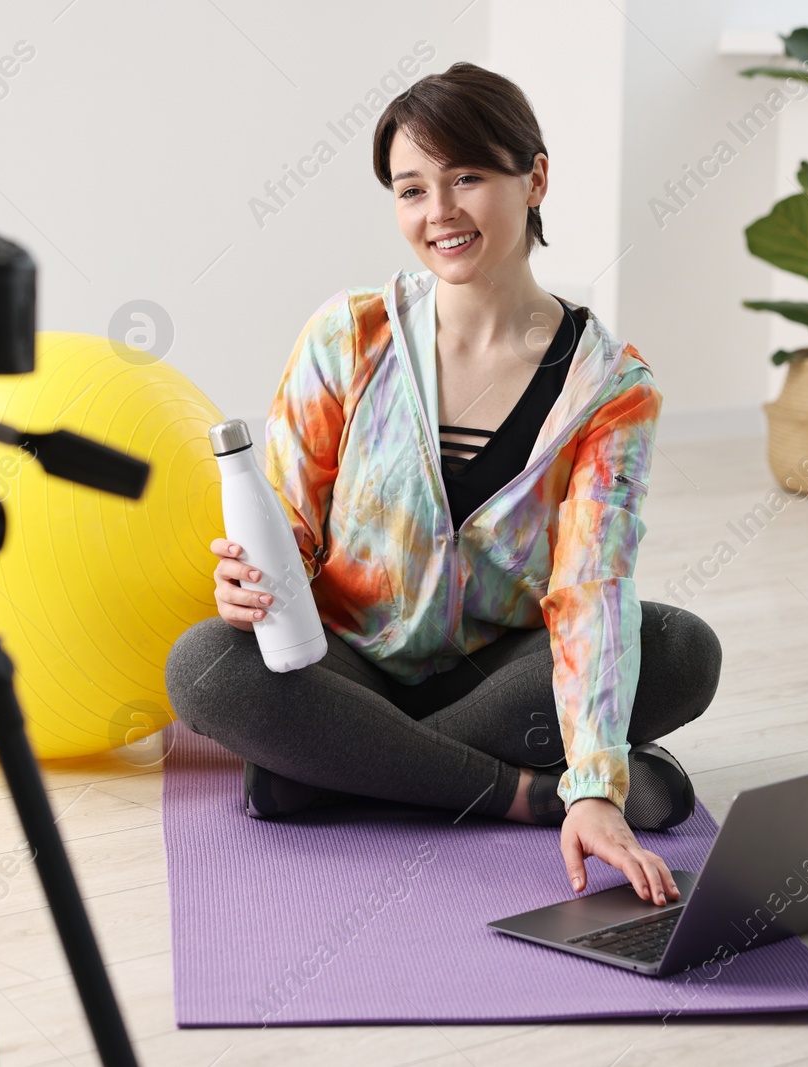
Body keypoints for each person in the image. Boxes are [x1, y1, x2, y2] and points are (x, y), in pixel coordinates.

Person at [165, 62, 720, 905]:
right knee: (204, 665)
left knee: (680, 648)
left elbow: (590, 587)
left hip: (498, 670)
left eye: (468, 178)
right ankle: (522, 791)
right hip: (347, 660)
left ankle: (336, 773)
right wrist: (245, 581)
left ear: (534, 178)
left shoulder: (610, 387)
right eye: (411, 188)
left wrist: (600, 782)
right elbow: (288, 529)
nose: (439, 213)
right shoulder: (348, 335)